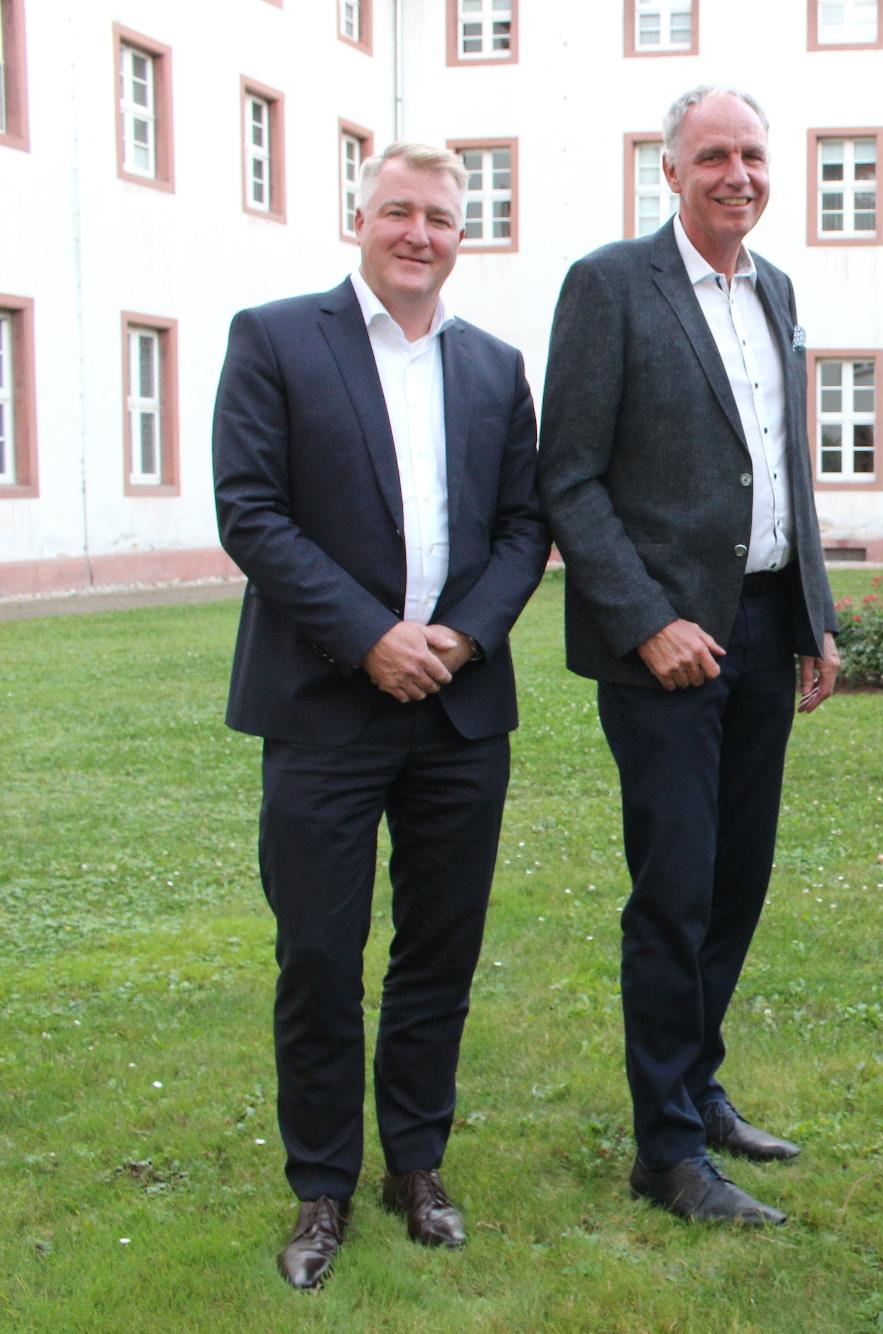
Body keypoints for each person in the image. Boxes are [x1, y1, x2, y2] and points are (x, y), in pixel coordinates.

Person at [212, 142, 550, 1289]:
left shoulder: (495, 365)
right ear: (356, 219)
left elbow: (521, 527)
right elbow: (250, 512)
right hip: (321, 704)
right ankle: (320, 1182)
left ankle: (417, 1161)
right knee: (316, 952)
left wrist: (457, 635)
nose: (419, 232)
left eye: (441, 217)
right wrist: (369, 635)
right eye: (397, 212)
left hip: (458, 709)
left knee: (437, 948)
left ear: (464, 233)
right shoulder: (275, 338)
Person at [537, 85, 840, 1228]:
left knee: (735, 881)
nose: (737, 174)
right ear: (668, 169)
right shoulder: (610, 285)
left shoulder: (778, 289)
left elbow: (782, 466)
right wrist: (645, 619)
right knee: (673, 890)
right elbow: (566, 473)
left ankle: (696, 1087)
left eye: (753, 154)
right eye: (712, 154)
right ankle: (662, 1150)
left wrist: (811, 611)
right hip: (667, 642)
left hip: (763, 625)